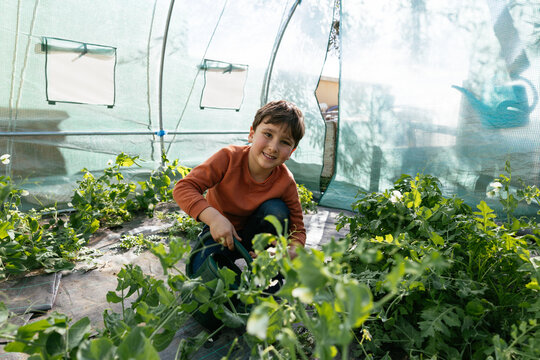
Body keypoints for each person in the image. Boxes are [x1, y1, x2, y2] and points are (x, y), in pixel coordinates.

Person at [173, 100, 306, 274]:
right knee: (202, 281)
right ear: (251, 134)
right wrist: (214, 219)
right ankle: (226, 265)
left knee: (277, 210)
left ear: (291, 152)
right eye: (268, 134)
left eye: (285, 142)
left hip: (258, 237)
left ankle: (262, 267)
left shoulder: (286, 181)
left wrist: (291, 251)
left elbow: (298, 228)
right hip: (220, 233)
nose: (273, 147)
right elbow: (184, 187)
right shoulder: (228, 158)